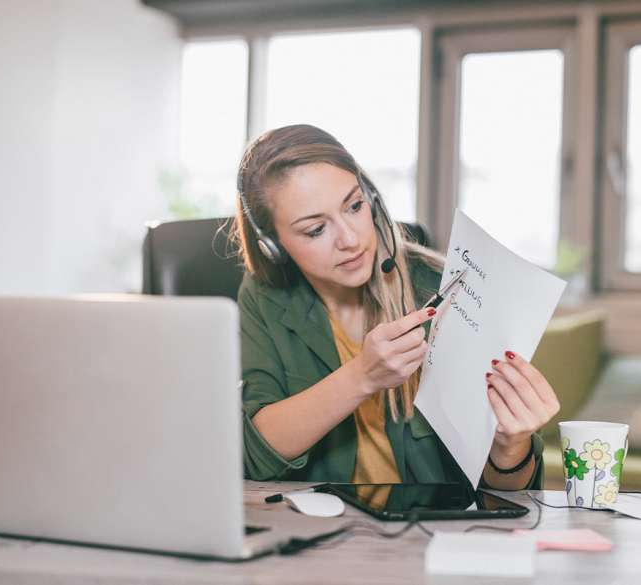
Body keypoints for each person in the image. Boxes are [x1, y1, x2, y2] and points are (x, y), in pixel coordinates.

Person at [230, 124, 560, 491]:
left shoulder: (442, 289)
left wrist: (510, 445)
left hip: (430, 539)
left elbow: (506, 498)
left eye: (354, 206)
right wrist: (362, 377)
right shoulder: (264, 296)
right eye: (315, 230)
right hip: (317, 535)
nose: (351, 239)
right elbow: (255, 458)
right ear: (271, 246)